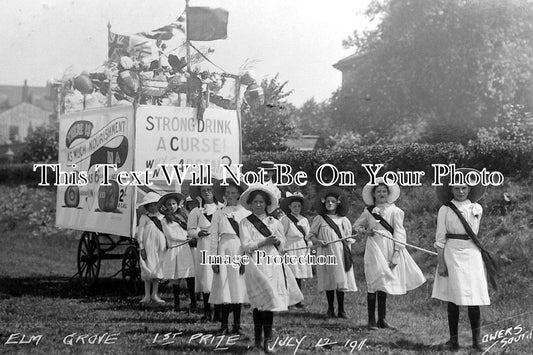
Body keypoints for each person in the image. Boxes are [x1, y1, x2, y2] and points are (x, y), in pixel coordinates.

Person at [353, 178, 426, 330]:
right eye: (378, 191)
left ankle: (382, 320)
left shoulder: (395, 211)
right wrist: (365, 231)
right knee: (373, 281)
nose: (381, 194)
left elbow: (399, 233)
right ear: (373, 194)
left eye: (384, 191)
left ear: (388, 193)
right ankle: (371, 320)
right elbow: (356, 226)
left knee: (384, 281)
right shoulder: (368, 211)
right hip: (373, 246)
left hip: (388, 246)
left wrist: (396, 254)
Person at [239, 184, 303, 353]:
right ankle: (257, 340)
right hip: (255, 264)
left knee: (269, 302)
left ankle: (268, 340)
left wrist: (279, 243)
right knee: (258, 303)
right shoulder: (245, 223)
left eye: (261, 202)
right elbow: (246, 245)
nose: (258, 205)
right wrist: (263, 242)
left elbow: (282, 244)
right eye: (255, 202)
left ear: (267, 204)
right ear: (250, 204)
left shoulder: (275, 222)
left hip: (272, 264)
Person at [432, 168, 491, 351]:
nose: (460, 191)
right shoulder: (445, 209)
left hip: (471, 253)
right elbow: (440, 239)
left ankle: (476, 341)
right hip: (452, 253)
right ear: (450, 189)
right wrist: (441, 264)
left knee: (473, 297)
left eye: (464, 188)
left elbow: (474, 232)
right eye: (456, 188)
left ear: (469, 189)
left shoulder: (476, 208)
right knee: (453, 297)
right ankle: (454, 341)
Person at [307, 186, 357, 318]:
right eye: (328, 201)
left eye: (332, 201)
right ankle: (330, 309)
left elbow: (348, 237)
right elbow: (311, 235)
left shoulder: (343, 220)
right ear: (324, 203)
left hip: (340, 253)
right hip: (325, 252)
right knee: (329, 279)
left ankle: (341, 310)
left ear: (337, 203)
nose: (330, 204)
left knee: (340, 280)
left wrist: (347, 242)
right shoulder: (319, 219)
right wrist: (317, 241)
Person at [208, 180, 250, 335]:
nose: (230, 196)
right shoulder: (219, 213)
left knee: (237, 286)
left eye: (233, 193)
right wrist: (213, 259)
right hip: (224, 248)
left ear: (239, 194)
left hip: (239, 248)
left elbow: (248, 238)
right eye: (228, 193)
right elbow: (213, 237)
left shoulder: (245, 213)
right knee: (224, 287)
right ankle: (224, 325)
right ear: (224, 195)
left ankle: (237, 325)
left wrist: (245, 259)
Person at [187, 184, 223, 321]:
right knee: (206, 277)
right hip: (204, 245)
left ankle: (219, 313)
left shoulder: (221, 207)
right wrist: (198, 233)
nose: (207, 192)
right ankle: (207, 312)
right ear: (199, 193)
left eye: (209, 190)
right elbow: (190, 230)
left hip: (219, 245)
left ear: (214, 191)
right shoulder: (196, 211)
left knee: (219, 276)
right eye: (203, 191)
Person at [159, 192, 197, 312]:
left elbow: (191, 228)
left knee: (189, 275)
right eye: (169, 204)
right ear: (165, 206)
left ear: (177, 205)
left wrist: (191, 235)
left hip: (185, 249)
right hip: (175, 248)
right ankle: (176, 302)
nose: (171, 206)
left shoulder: (183, 216)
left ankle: (193, 302)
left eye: (174, 204)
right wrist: (187, 237)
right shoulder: (165, 220)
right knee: (175, 277)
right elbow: (171, 235)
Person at [279, 191, 313, 308]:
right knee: (290, 274)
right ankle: (288, 300)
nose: (297, 208)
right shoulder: (285, 219)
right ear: (289, 207)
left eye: (299, 206)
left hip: (301, 248)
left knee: (298, 274)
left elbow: (308, 235)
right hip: (290, 247)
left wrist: (309, 243)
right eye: (294, 206)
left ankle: (298, 300)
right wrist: (282, 247)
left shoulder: (304, 220)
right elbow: (281, 234)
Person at [136, 192, 166, 304]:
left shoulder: (162, 217)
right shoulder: (144, 217)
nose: (153, 207)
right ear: (147, 207)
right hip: (149, 246)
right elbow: (140, 233)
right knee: (147, 268)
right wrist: (141, 246)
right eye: (151, 205)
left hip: (160, 246)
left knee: (157, 268)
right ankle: (147, 295)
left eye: (155, 205)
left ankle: (155, 293)